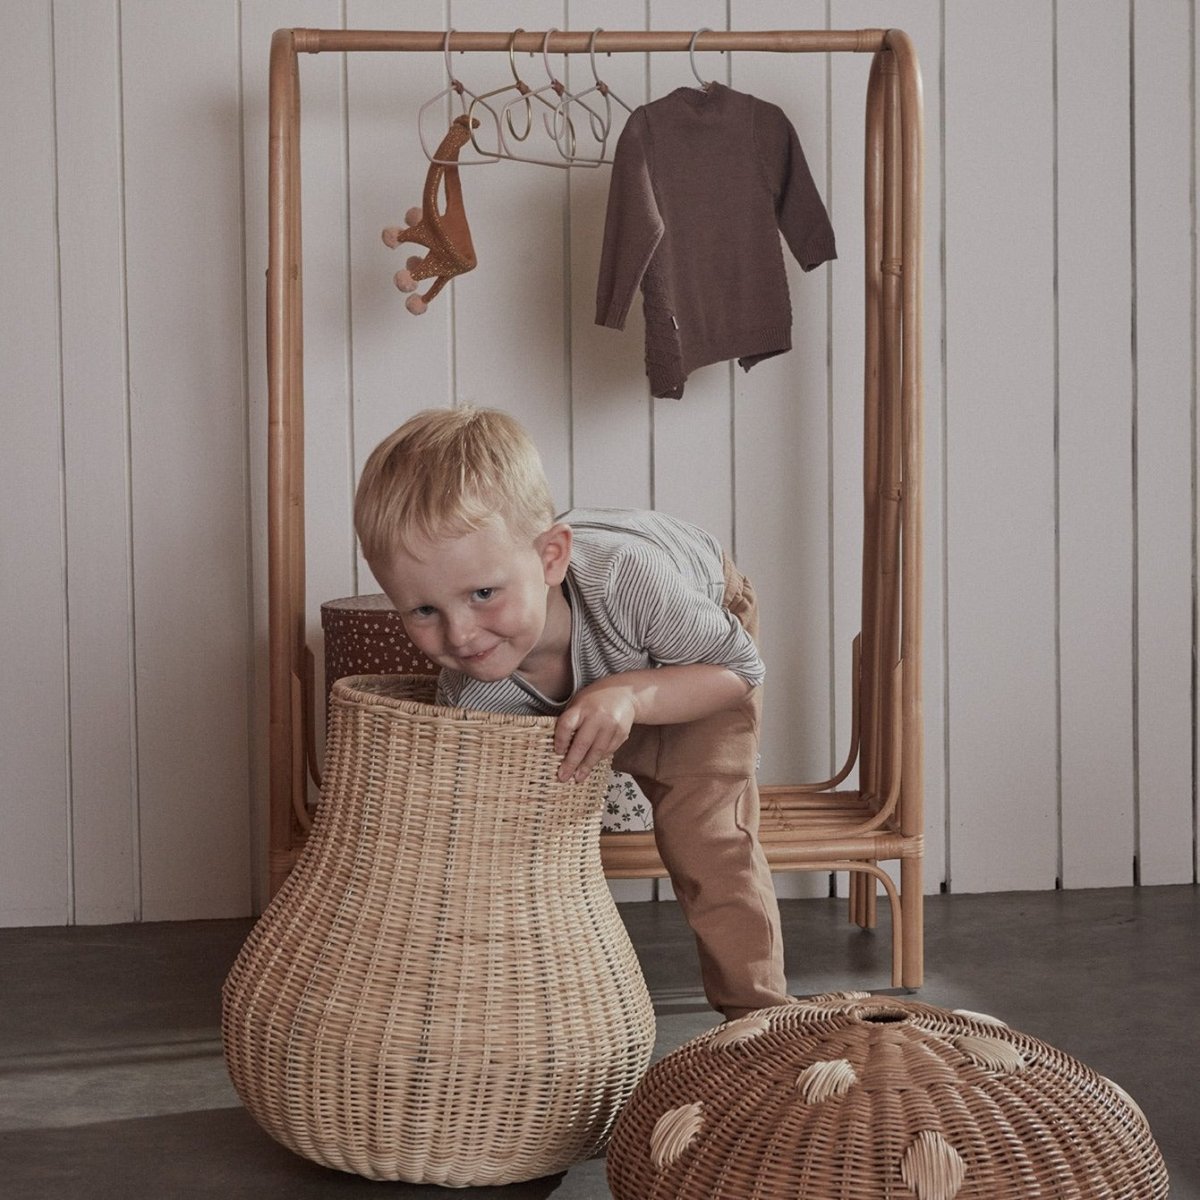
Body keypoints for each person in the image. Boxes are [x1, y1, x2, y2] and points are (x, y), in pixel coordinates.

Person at [353, 406, 790, 1019]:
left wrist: (632, 695)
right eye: (422, 611)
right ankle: (527, 1013)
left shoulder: (628, 582)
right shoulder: (472, 689)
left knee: (707, 837)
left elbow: (740, 672)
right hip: (602, 667)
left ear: (552, 557)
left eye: (484, 594)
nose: (460, 635)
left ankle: (760, 1017)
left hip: (694, 657)